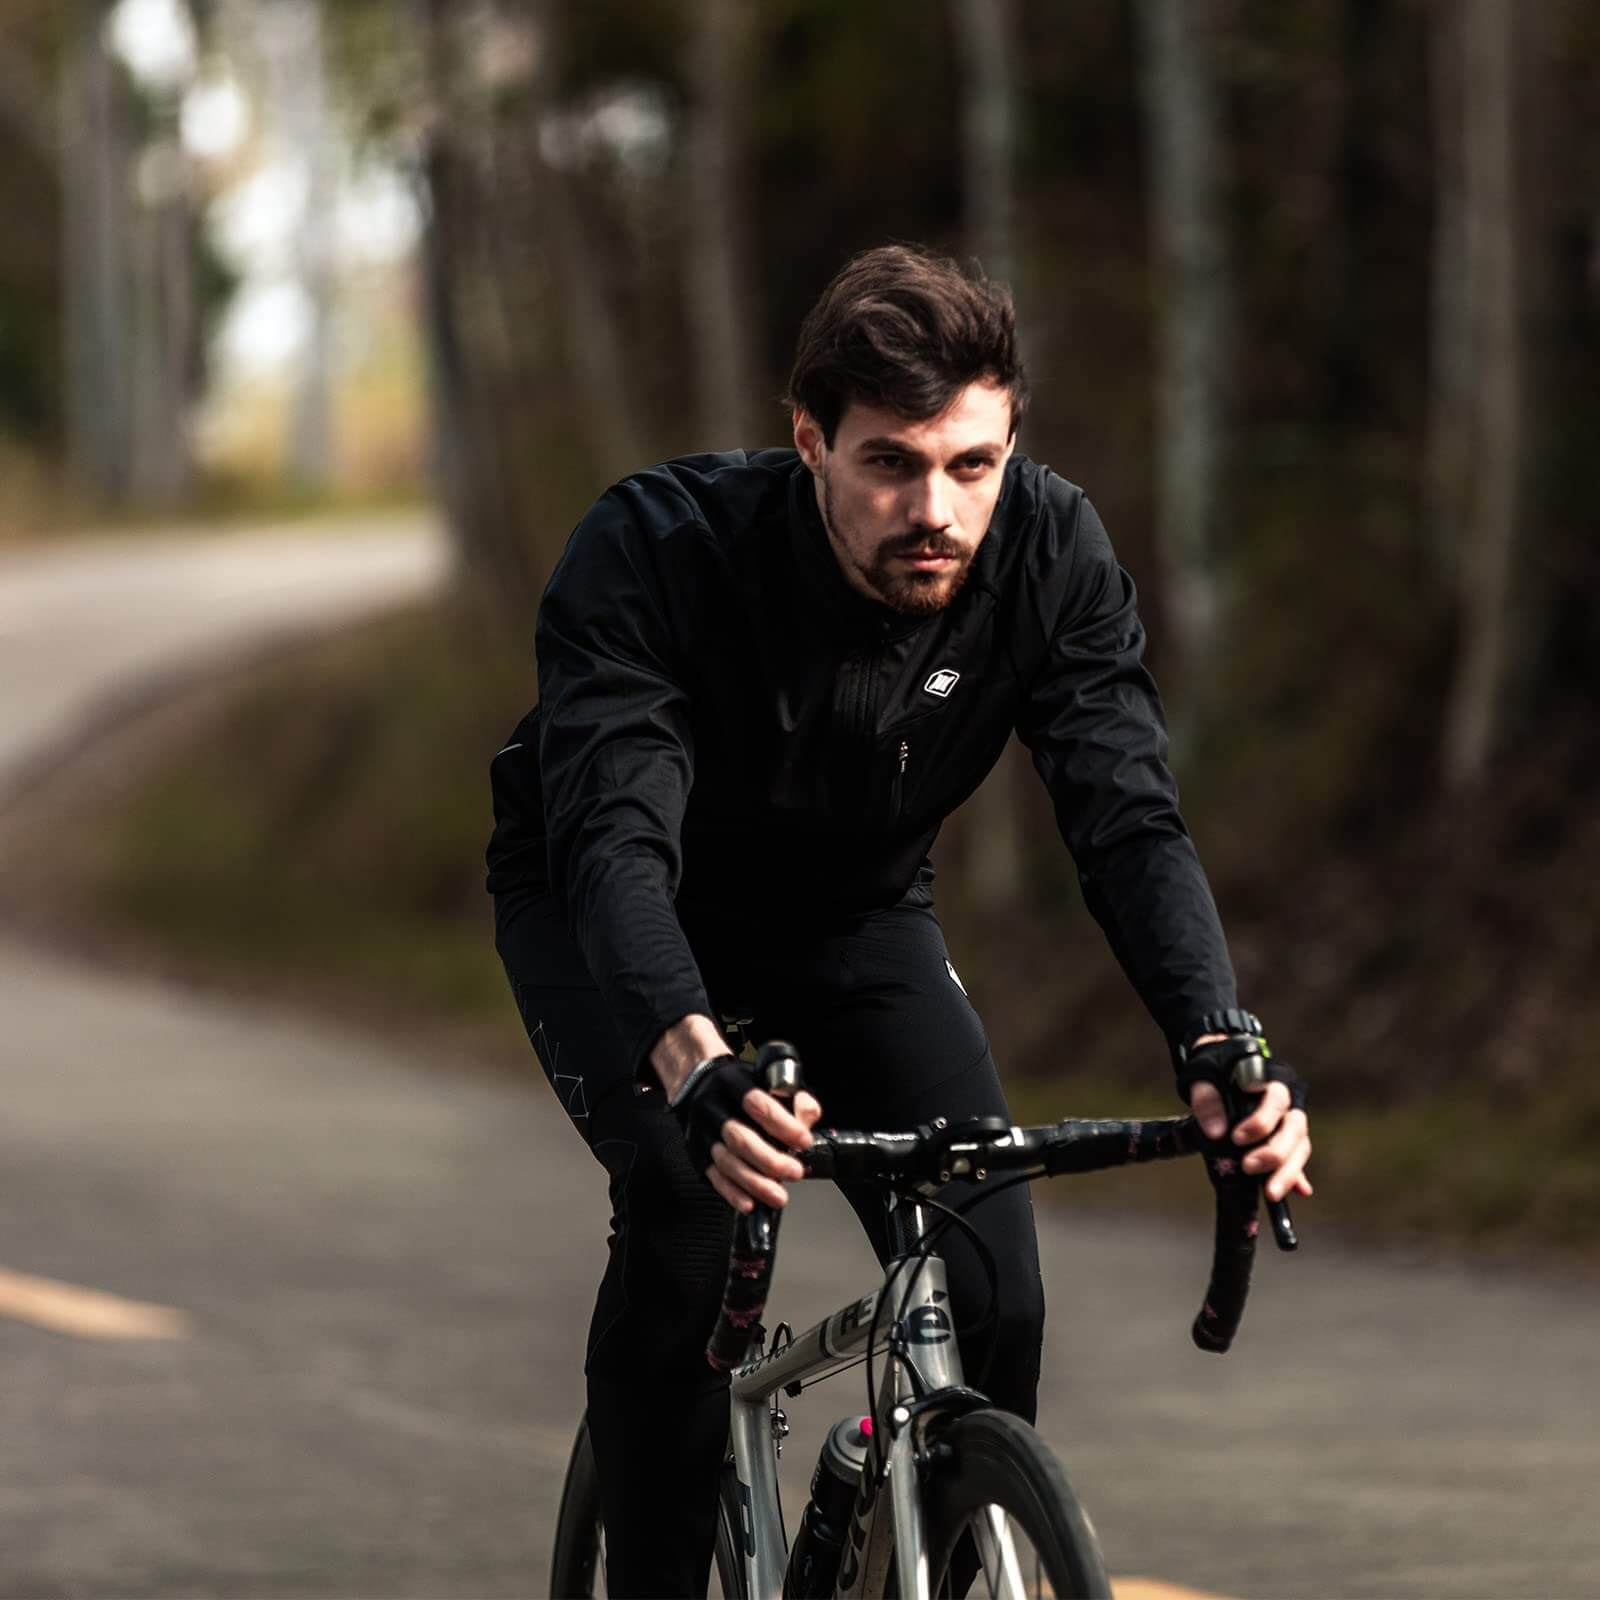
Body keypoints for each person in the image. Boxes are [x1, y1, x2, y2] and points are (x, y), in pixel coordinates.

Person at [486, 243, 1312, 1596]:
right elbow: (617, 840)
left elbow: (1127, 818)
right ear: (809, 441)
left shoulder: (1049, 553)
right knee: (690, 1210)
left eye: (971, 465)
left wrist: (1219, 1043)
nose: (934, 507)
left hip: (852, 917)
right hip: (612, 912)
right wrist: (694, 1066)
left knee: (992, 1293)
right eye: (890, 464)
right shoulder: (652, 552)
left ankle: (940, 1523)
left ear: (1011, 444)